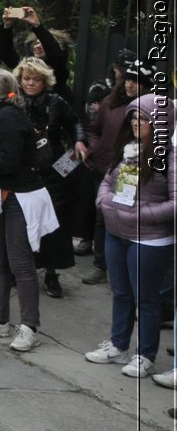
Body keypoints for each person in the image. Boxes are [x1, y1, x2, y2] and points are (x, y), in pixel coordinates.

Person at [83, 93, 174, 380]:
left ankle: (145, 355)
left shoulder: (168, 158)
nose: (136, 122)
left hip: (149, 239)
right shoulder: (129, 150)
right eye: (134, 117)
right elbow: (108, 181)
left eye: (143, 118)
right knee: (120, 293)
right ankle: (119, 345)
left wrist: (139, 214)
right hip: (116, 232)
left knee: (146, 299)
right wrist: (105, 203)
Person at [0, 68, 52, 352]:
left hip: (21, 196)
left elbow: (9, 161)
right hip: (3, 194)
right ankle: (0, 318)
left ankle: (29, 326)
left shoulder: (9, 118)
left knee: (20, 262)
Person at [74, 57, 149, 285]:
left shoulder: (149, 107)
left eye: (136, 81)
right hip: (103, 169)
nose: (129, 85)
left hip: (132, 171)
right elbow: (93, 129)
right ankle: (100, 265)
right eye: (128, 79)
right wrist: (94, 148)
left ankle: (125, 269)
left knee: (127, 219)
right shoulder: (109, 102)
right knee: (101, 218)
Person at [14, 56, 81, 298]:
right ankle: (20, 267)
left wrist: (73, 156)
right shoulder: (14, 102)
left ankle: (51, 272)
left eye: (36, 79)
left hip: (53, 169)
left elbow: (76, 125)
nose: (31, 83)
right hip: (22, 169)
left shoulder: (56, 102)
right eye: (26, 78)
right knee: (20, 219)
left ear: (45, 81)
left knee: (52, 221)